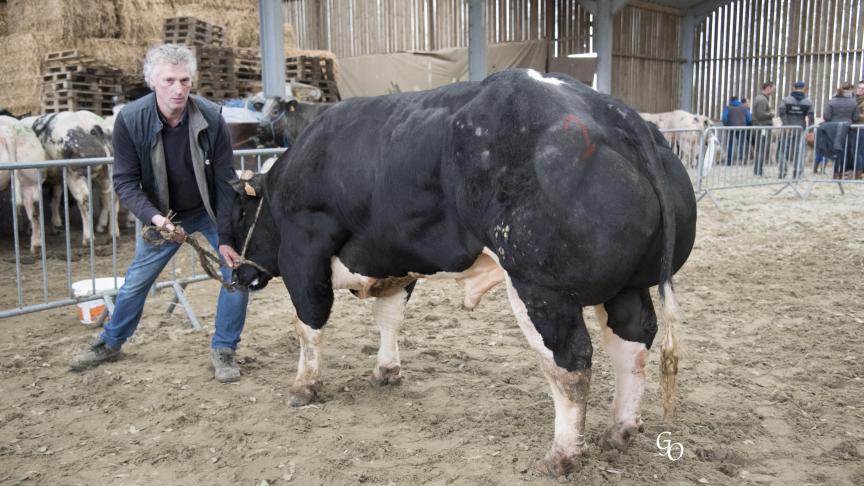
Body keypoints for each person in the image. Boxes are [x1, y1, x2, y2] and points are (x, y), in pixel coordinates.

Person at [70, 44, 250, 382]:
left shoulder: (212, 118)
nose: (178, 89)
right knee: (137, 281)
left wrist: (227, 236)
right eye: (169, 80)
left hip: (208, 210)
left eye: (184, 80)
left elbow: (227, 182)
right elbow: (124, 181)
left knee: (236, 273)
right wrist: (156, 218)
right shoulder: (130, 120)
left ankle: (224, 348)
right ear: (152, 81)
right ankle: (110, 342)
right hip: (162, 215)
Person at [822, 81, 860, 179]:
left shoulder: (832, 101)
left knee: (835, 151)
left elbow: (826, 116)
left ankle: (835, 172)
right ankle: (842, 171)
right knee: (846, 151)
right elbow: (855, 118)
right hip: (848, 129)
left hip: (833, 128)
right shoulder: (853, 102)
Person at [777, 81, 814, 178]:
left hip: (787, 129)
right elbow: (811, 118)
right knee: (800, 151)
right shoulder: (808, 102)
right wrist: (810, 131)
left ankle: (782, 171)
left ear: (794, 87)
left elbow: (781, 113)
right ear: (804, 88)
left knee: (782, 150)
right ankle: (797, 172)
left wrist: (786, 125)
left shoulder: (786, 100)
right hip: (801, 128)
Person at [751, 81, 775, 175]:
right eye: (773, 88)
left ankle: (758, 170)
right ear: (768, 88)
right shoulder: (762, 99)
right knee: (761, 148)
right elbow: (761, 114)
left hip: (761, 127)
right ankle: (758, 170)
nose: (774, 90)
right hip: (762, 127)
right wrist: (771, 114)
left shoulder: (761, 98)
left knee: (760, 149)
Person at [721, 95, 752, 165]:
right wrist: (745, 124)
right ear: (738, 100)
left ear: (730, 100)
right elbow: (749, 119)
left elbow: (724, 118)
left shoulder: (727, 107)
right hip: (742, 128)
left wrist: (726, 125)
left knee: (730, 144)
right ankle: (742, 160)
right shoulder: (744, 108)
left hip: (730, 128)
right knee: (742, 144)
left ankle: (729, 161)